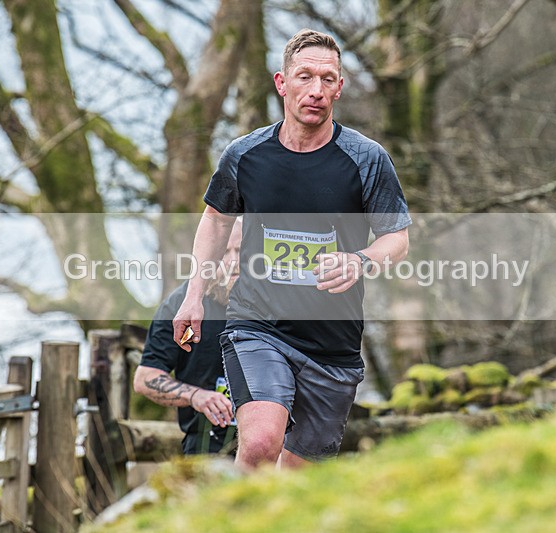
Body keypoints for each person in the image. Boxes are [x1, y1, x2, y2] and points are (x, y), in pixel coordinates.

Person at [173, 29, 411, 470]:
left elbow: (397, 238)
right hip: (259, 326)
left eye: (328, 79)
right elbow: (216, 219)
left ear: (340, 86)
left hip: (333, 345)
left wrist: (360, 262)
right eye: (305, 77)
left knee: (300, 479)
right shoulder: (245, 155)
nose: (316, 91)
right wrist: (194, 295)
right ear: (282, 83)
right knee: (261, 443)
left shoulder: (366, 159)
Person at [134, 220, 241, 455]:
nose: (233, 262)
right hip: (205, 446)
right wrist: (195, 396)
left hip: (271, 444)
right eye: (224, 252)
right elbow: (145, 378)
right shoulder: (180, 305)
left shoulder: (274, 302)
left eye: (241, 251)